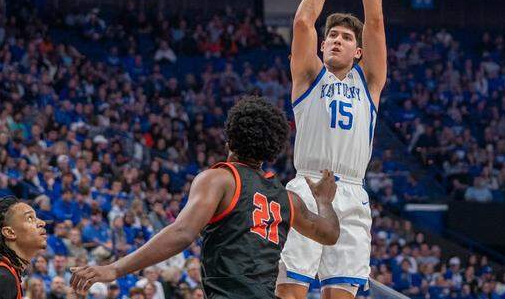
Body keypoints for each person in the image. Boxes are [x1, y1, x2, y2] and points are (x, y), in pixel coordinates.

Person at [69, 96, 340, 299]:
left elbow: (183, 233)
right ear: (273, 150)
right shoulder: (288, 199)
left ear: (229, 139)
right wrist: (325, 201)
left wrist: (114, 269)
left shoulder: (220, 179)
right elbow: (329, 233)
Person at [279, 0, 387, 299]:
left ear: (358, 51)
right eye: (332, 36)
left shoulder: (369, 81)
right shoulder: (309, 77)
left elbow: (374, 21)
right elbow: (303, 22)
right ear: (323, 46)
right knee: (289, 292)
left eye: (345, 37)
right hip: (307, 185)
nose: (337, 40)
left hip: (352, 193)